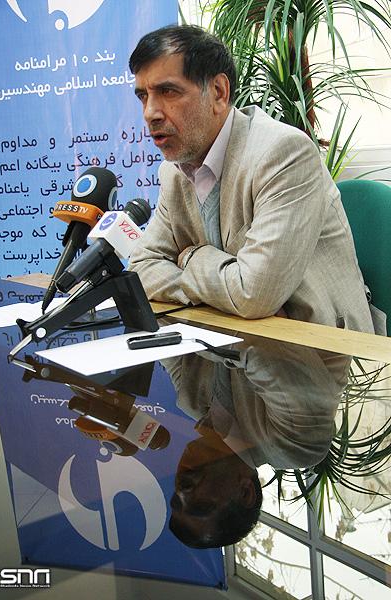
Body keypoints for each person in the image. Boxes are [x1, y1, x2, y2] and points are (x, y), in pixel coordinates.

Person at [128, 24, 374, 331]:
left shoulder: (283, 153)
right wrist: (223, 291)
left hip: (316, 343)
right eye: (143, 96)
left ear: (218, 92)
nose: (150, 112)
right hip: (232, 336)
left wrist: (189, 257)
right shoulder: (174, 172)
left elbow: (254, 293)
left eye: (168, 92)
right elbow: (141, 267)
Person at [163, 335, 350, 548]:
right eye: (201, 506)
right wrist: (192, 330)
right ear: (245, 493)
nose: (182, 491)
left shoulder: (191, 401)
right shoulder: (293, 446)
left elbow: (159, 334)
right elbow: (264, 346)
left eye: (176, 500)